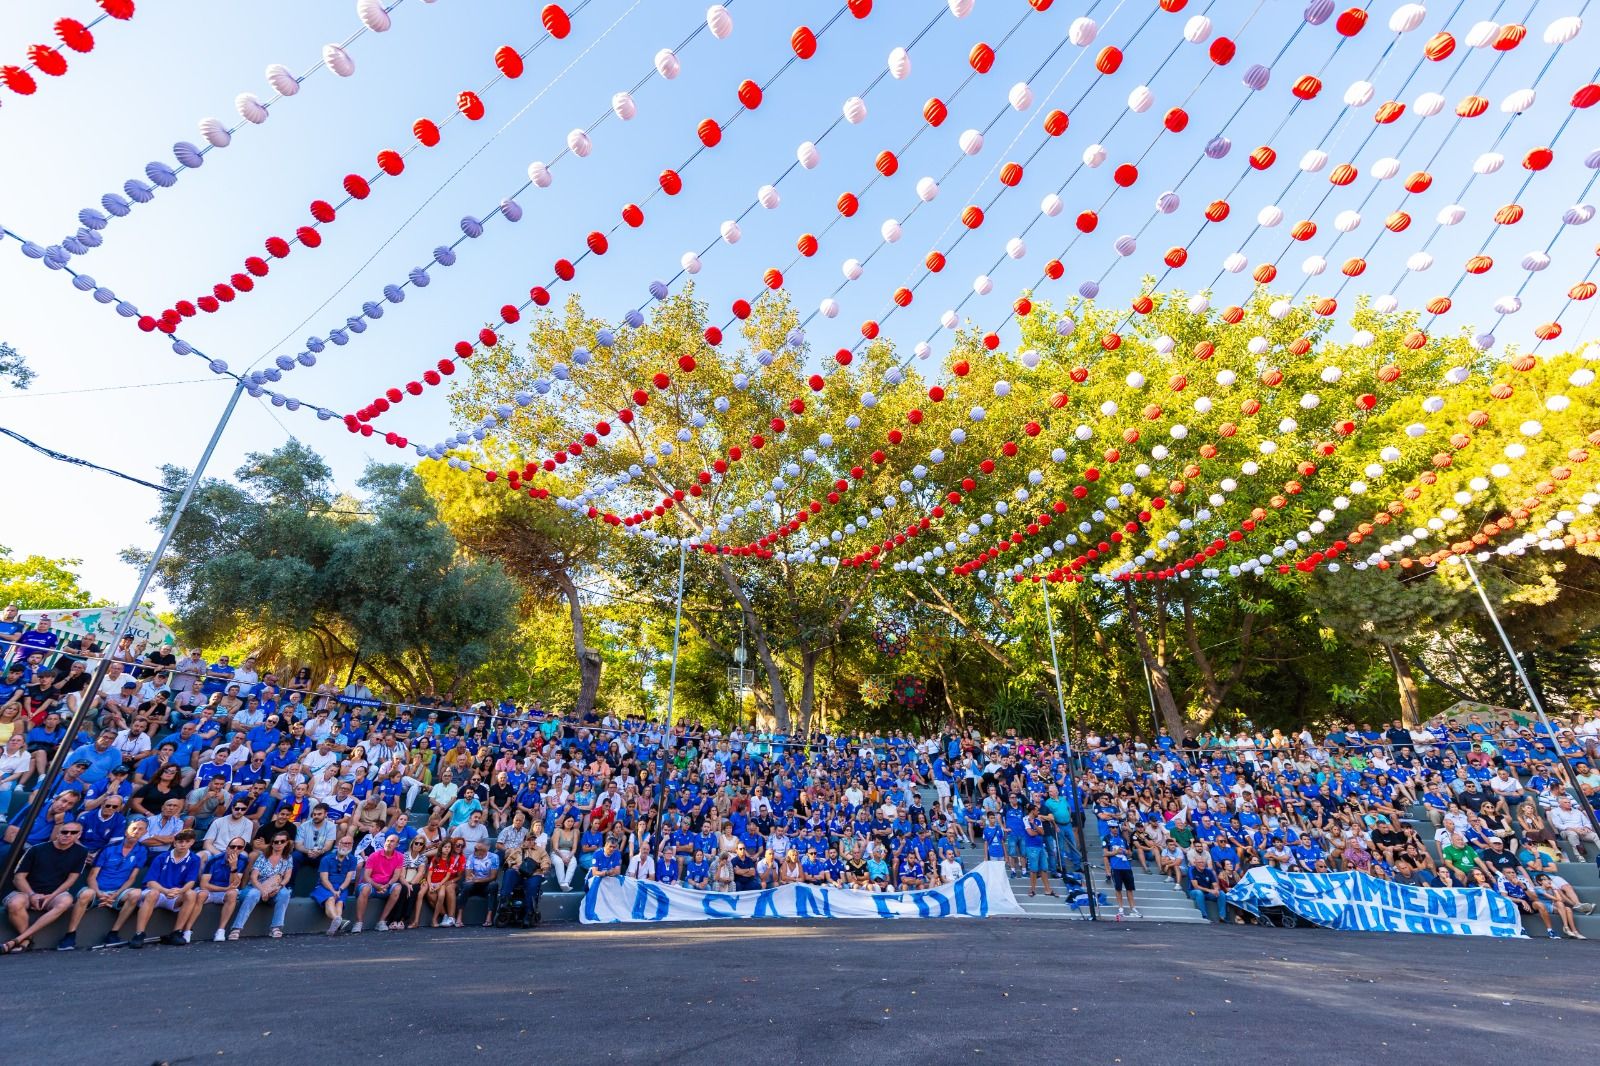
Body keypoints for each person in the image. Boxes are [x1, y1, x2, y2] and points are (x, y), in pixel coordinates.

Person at [3, 821, 89, 954]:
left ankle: (18, 940)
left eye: (73, 833)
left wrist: (52, 895)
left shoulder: (81, 852)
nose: (68, 835)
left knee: (66, 901)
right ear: (58, 833)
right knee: (14, 904)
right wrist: (32, 895)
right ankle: (26, 939)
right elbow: (18, 878)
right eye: (64, 832)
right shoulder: (37, 849)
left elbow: (72, 879)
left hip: (55, 893)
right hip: (27, 891)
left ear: (79, 835)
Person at [112, 828, 202, 949]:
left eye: (187, 841)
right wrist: (165, 891)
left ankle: (176, 932)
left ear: (192, 842)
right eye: (180, 841)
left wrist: (180, 891)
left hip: (175, 895)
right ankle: (139, 934)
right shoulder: (161, 857)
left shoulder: (195, 859)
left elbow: (191, 882)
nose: (183, 844)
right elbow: (150, 882)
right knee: (153, 893)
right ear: (174, 843)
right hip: (159, 893)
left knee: (191, 894)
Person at [171, 836, 247, 944]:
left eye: (239, 847)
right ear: (227, 848)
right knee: (201, 895)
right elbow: (203, 885)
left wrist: (233, 867)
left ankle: (220, 930)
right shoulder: (214, 860)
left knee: (232, 894)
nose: (235, 850)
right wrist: (224, 888)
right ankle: (187, 930)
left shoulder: (243, 860)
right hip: (210, 889)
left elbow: (234, 884)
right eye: (232, 846)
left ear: (243, 849)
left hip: (225, 891)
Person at [230, 831, 295, 939]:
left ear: (286, 843)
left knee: (285, 893)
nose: (278, 844)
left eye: (282, 841)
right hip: (256, 887)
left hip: (274, 888)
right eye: (276, 842)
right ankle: (236, 928)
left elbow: (287, 877)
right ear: (272, 843)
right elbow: (253, 877)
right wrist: (263, 890)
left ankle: (276, 927)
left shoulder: (288, 858)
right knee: (253, 894)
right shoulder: (263, 856)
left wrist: (279, 886)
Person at [352, 833, 406, 932]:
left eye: (392, 841)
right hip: (370, 885)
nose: (389, 843)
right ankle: (359, 923)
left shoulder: (400, 857)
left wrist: (387, 885)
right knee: (365, 888)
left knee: (398, 887)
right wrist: (377, 886)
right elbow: (366, 876)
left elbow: (396, 876)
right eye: (387, 841)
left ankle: (381, 921)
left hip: (386, 886)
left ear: (397, 845)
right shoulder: (374, 855)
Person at [312, 835, 360, 935]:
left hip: (341, 887)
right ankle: (338, 920)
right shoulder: (327, 858)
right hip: (325, 886)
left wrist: (340, 890)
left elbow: (348, 878)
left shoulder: (353, 859)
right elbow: (324, 879)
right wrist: (333, 891)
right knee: (330, 898)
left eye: (349, 843)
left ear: (352, 845)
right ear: (339, 844)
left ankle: (334, 927)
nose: (346, 846)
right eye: (344, 843)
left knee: (340, 902)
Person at [461, 839, 502, 926]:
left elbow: (493, 877)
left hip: (486, 885)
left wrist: (478, 880)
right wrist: (474, 880)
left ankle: (489, 917)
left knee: (493, 885)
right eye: (475, 849)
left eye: (480, 849)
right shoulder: (471, 857)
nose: (476, 851)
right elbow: (468, 876)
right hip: (473, 885)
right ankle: (459, 917)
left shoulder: (494, 857)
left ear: (487, 849)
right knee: (467, 885)